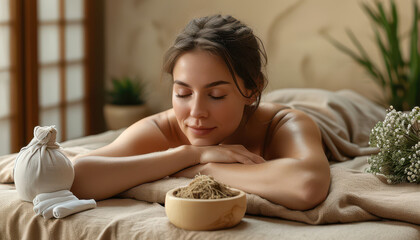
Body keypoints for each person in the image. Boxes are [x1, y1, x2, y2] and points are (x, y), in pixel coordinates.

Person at [71, 14, 330, 210]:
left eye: (216, 95)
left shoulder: (281, 123)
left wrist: (204, 168)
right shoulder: (163, 129)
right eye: (183, 93)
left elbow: (306, 184)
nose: (196, 112)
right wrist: (189, 154)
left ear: (253, 89)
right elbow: (76, 177)